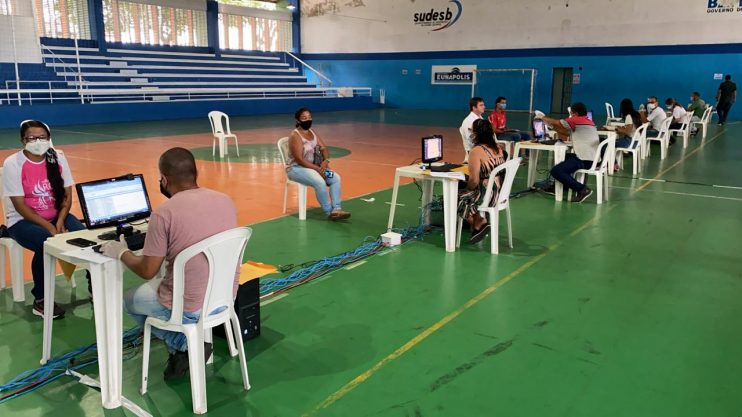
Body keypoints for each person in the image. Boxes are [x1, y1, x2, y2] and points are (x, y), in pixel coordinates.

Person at [100, 147, 239, 380]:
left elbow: (147, 270)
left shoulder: (164, 214)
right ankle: (184, 348)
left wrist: (121, 251)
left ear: (164, 179)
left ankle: (181, 344)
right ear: (195, 173)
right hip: (224, 299)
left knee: (128, 300)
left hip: (190, 307)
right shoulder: (225, 200)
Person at [2, 120, 89, 319]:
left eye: (42, 137)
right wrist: (49, 228)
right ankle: (41, 300)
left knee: (87, 238)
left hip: (58, 215)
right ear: (23, 140)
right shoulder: (13, 163)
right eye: (32, 138)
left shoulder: (57, 158)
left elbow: (67, 196)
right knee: (45, 243)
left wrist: (59, 222)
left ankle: (95, 285)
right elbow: (20, 206)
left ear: (49, 138)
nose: (38, 141)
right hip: (23, 221)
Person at [286, 107, 350, 220]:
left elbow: (323, 148)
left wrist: (325, 161)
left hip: (314, 167)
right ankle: (329, 212)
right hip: (296, 169)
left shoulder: (312, 132)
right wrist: (318, 169)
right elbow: (299, 159)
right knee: (320, 181)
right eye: (304, 118)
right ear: (298, 121)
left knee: (335, 178)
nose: (308, 120)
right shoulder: (295, 136)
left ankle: (337, 209)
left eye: (309, 117)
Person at [458, 119, 507, 243]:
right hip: (500, 193)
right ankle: (477, 224)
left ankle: (478, 221)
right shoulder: (499, 148)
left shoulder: (476, 151)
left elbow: (474, 181)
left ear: (476, 134)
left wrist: (467, 188)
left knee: (455, 196)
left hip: (487, 195)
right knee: (465, 193)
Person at [540, 103, 599, 203]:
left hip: (584, 159)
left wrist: (543, 117)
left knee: (556, 171)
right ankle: (561, 186)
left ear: (575, 113)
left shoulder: (575, 120)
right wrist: (552, 127)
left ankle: (582, 189)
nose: (570, 115)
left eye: (571, 113)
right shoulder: (588, 121)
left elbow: (557, 122)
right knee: (564, 157)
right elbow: (566, 133)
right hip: (593, 158)